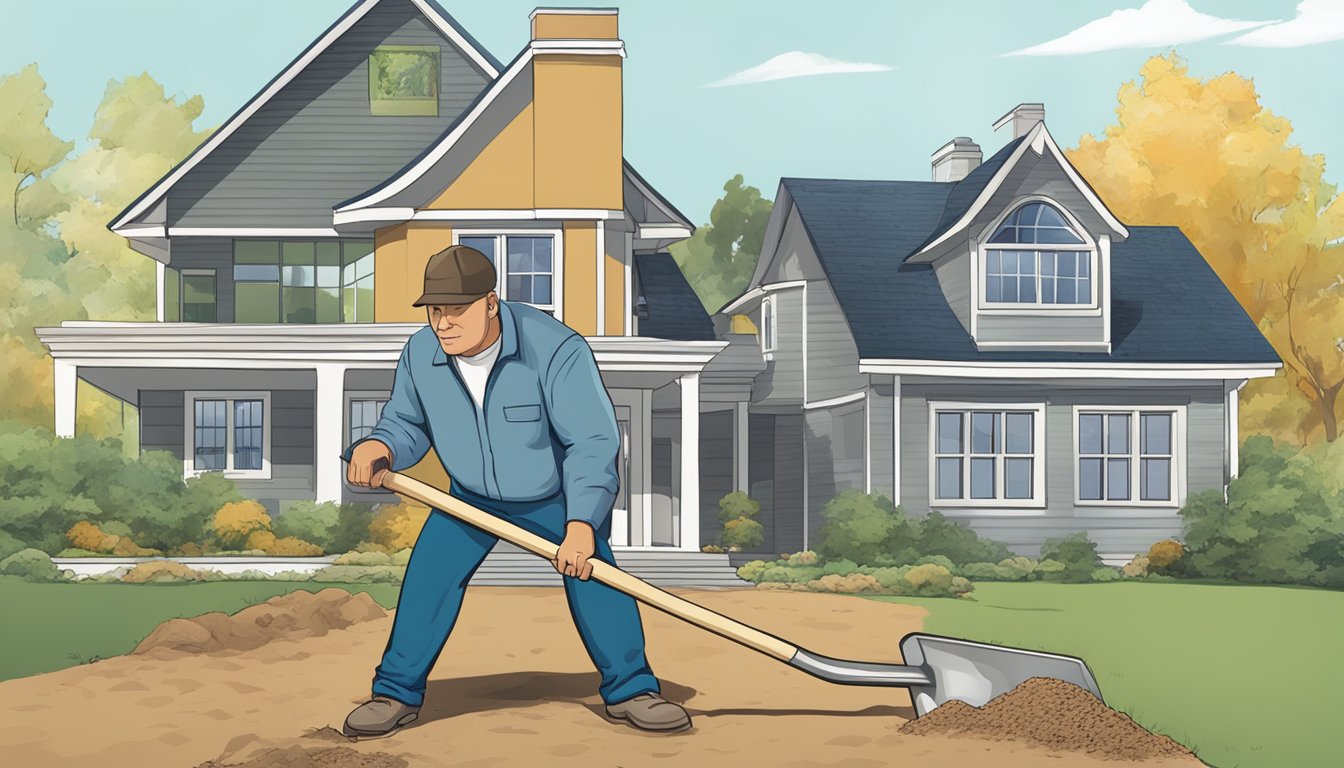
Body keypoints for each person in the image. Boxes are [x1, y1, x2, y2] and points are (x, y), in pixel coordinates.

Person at [341, 244, 691, 737]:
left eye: (456, 310)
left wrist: (581, 524)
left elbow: (591, 443)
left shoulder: (555, 349)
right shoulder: (422, 354)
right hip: (469, 496)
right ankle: (395, 693)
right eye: (435, 311)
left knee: (594, 576)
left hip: (552, 497)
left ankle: (632, 688)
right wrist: (382, 445)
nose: (443, 324)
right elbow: (407, 421)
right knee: (427, 581)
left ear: (490, 302)